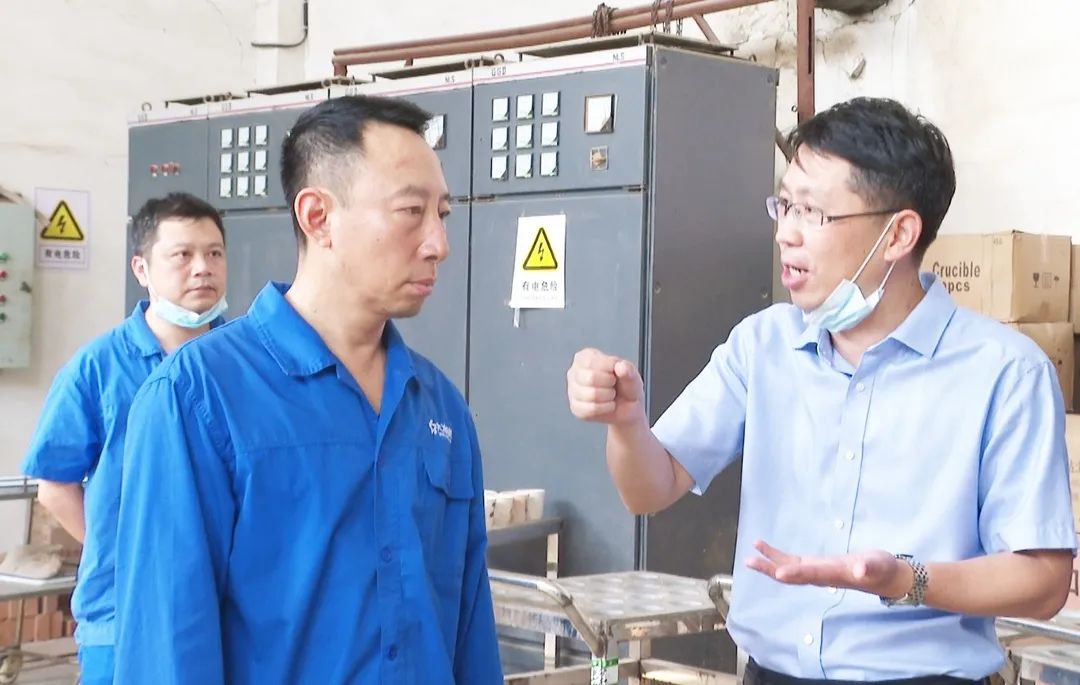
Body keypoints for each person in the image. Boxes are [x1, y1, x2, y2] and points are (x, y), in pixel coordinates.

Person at [566, 97, 1075, 683]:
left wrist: (906, 579)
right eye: (784, 205)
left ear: (898, 234)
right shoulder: (763, 345)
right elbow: (649, 489)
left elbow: (1043, 581)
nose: (786, 233)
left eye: (812, 212)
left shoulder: (1005, 372)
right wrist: (626, 423)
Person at [113, 95, 503, 684]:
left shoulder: (439, 407)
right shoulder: (198, 398)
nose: (438, 243)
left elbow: (471, 637)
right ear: (318, 216)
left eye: (442, 214)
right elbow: (166, 652)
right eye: (411, 211)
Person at [21, 192, 228, 685]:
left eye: (214, 253)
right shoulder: (98, 367)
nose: (202, 268)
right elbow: (55, 486)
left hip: (223, 608)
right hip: (122, 614)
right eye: (182, 254)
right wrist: (130, 554)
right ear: (141, 268)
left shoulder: (242, 360)